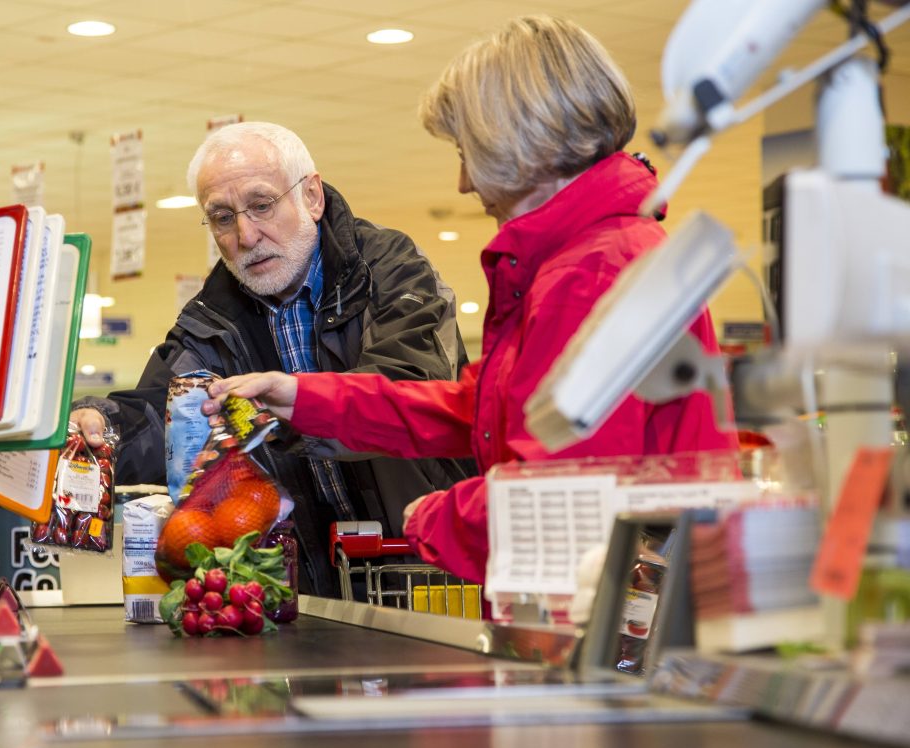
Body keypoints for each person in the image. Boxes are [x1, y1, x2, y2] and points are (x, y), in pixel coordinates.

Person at [202, 16, 739, 586]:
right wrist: (308, 399)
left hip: (626, 613)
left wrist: (434, 520)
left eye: (467, 151)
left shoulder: (595, 270)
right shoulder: (582, 257)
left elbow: (565, 491)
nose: (463, 180)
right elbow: (479, 410)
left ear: (521, 143)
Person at [71, 121, 474, 596]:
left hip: (425, 568)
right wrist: (103, 424)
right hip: (306, 589)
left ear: (312, 196)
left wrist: (287, 410)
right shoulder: (211, 316)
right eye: (222, 217)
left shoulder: (388, 268)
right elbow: (167, 411)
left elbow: (408, 387)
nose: (245, 234)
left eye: (261, 205)